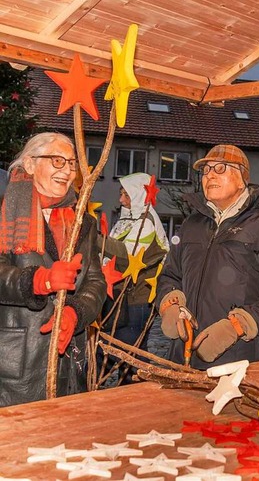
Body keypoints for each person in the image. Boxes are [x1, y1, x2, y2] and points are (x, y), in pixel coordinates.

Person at [156, 144, 259, 369]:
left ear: (242, 176)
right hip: (181, 355)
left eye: (220, 168)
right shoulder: (192, 223)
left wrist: (237, 326)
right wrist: (170, 303)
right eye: (206, 170)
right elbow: (170, 274)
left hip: (236, 358)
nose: (210, 175)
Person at [0, 132, 106, 407]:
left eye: (72, 164)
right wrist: (40, 281)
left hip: (70, 364)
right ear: (31, 163)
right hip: (14, 366)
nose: (68, 171)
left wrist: (76, 312)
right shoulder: (4, 210)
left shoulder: (83, 222)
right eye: (58, 161)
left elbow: (95, 281)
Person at [100, 172, 169, 382]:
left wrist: (96, 240)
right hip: (120, 294)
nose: (121, 200)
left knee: (132, 352)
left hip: (138, 297)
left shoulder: (146, 222)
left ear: (139, 194)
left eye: (126, 194)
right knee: (120, 349)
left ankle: (136, 396)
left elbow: (127, 257)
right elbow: (106, 256)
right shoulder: (126, 220)